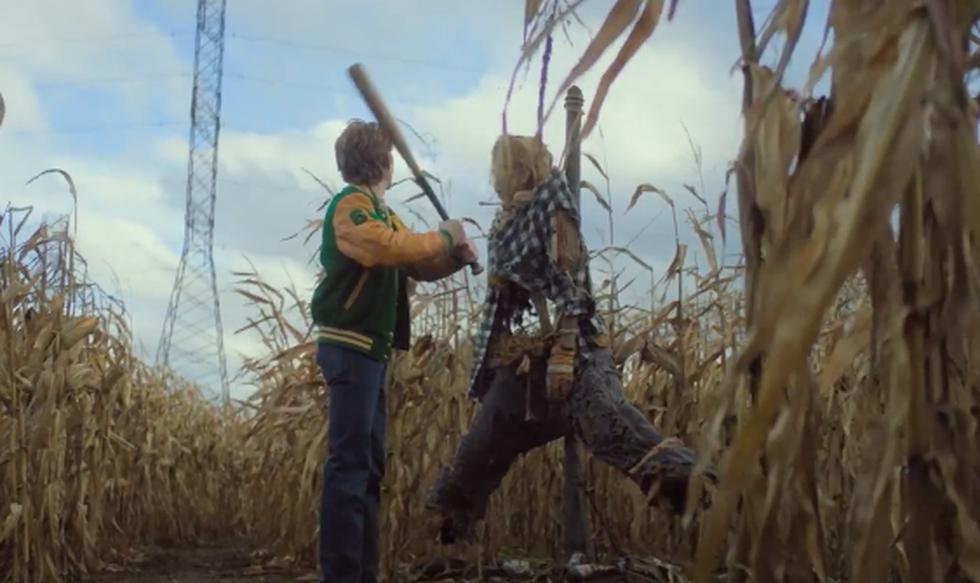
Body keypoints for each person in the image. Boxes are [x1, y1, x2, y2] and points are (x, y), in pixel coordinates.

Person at [426, 134, 708, 544]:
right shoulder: (506, 223)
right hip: (528, 363)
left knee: (614, 430)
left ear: (518, 170)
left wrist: (565, 348)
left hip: (578, 352)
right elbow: (504, 298)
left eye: (500, 170)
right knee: (479, 448)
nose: (495, 180)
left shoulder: (553, 208)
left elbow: (572, 282)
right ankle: (454, 542)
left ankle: (712, 492)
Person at [311, 119, 477, 583]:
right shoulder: (352, 206)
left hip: (372, 354)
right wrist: (445, 236)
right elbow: (381, 250)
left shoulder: (383, 214)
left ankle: (362, 573)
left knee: (367, 469)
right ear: (386, 162)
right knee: (349, 467)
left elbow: (415, 263)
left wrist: (453, 258)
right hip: (349, 348)